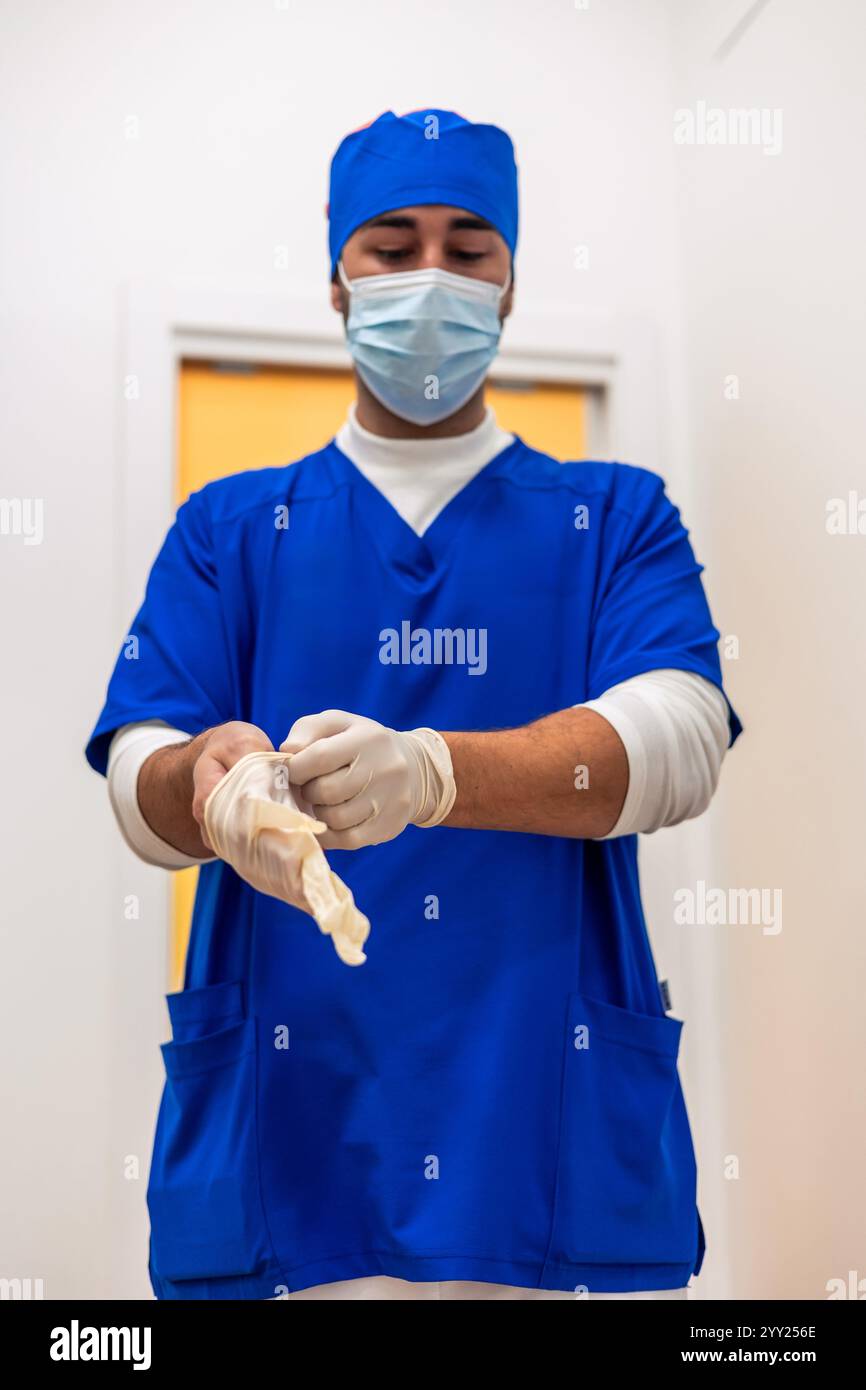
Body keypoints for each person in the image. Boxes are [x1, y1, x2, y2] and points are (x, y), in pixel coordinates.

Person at [85, 108, 742, 1301]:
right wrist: (209, 784)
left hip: (545, 1172)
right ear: (337, 282)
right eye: (390, 248)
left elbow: (684, 738)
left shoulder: (615, 518)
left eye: (466, 246)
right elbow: (139, 776)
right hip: (293, 1166)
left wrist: (434, 770)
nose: (428, 276)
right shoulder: (230, 531)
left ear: (509, 283)